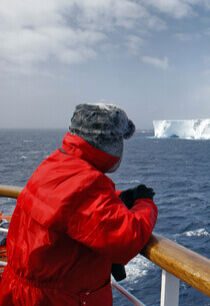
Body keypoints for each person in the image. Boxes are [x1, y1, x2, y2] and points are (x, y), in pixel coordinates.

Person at [0, 103, 158, 305]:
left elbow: (67, 203)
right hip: (56, 299)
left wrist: (117, 198)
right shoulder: (88, 184)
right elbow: (127, 239)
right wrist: (145, 202)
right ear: (109, 142)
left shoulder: (57, 162)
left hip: (20, 292)